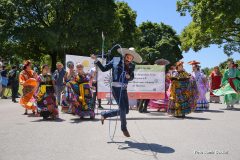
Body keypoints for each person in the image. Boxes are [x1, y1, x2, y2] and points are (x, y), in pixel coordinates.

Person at [91, 47, 142, 137]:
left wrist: (128, 77)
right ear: (125, 55)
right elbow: (103, 68)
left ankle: (105, 114)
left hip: (124, 88)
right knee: (122, 109)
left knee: (125, 111)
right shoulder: (115, 60)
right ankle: (124, 128)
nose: (129, 59)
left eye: (131, 58)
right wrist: (96, 61)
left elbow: (132, 77)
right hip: (116, 88)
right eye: (128, 57)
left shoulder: (132, 66)